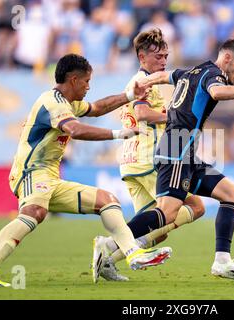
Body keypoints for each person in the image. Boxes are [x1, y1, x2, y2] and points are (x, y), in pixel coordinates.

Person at [0, 54, 172, 287]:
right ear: (73, 80)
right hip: (30, 173)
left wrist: (128, 96)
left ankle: (132, 253)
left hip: (50, 177)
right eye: (86, 81)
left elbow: (97, 108)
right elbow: (74, 130)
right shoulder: (52, 102)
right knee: (34, 212)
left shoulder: (68, 102)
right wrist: (117, 134)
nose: (88, 86)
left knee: (107, 200)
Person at [102, 39, 234, 281]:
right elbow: (217, 92)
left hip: (185, 153)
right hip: (175, 150)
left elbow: (166, 76)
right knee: (167, 214)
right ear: (228, 59)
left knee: (232, 194)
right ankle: (110, 243)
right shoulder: (214, 76)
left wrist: (144, 80)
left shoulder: (192, 71)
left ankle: (222, 261)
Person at [93, 29, 205, 282]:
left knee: (158, 230)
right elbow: (142, 114)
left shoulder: (148, 80)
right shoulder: (141, 82)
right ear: (142, 57)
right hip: (149, 159)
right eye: (157, 57)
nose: (163, 62)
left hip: (131, 162)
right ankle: (108, 246)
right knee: (196, 207)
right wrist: (175, 117)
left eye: (166, 56)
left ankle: (107, 260)